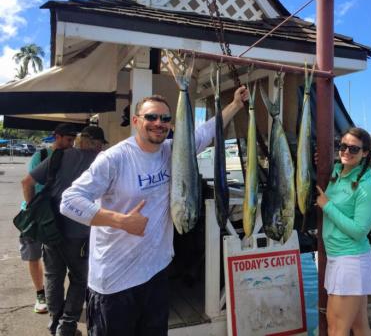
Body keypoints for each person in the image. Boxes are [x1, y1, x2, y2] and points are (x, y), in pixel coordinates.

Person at [60, 86, 249, 336]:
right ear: (137, 121)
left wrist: (235, 104)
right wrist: (120, 220)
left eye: (165, 119)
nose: (158, 123)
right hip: (115, 283)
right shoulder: (114, 158)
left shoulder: (173, 151)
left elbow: (205, 131)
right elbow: (69, 201)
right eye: (151, 117)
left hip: (156, 275)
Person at [21, 126, 108, 336]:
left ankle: (55, 324)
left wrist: (34, 207)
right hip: (81, 232)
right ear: (96, 143)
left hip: (52, 228)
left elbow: (27, 182)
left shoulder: (60, 156)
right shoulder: (102, 161)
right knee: (79, 278)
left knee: (53, 276)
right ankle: (67, 326)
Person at [315, 127, 371, 336]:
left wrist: (327, 206)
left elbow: (360, 230)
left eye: (354, 149)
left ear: (365, 153)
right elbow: (333, 166)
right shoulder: (338, 171)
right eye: (343, 146)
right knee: (360, 327)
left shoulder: (366, 186)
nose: (346, 152)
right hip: (340, 258)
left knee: (336, 329)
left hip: (349, 261)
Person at [18, 123, 77, 314]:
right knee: (33, 255)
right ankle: (40, 294)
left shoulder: (72, 156)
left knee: (57, 262)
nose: (71, 143)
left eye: (73, 140)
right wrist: (32, 212)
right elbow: (29, 184)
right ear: (57, 136)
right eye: (68, 140)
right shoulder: (41, 156)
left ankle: (57, 300)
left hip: (59, 217)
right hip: (38, 215)